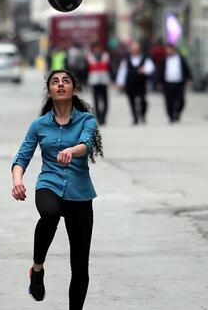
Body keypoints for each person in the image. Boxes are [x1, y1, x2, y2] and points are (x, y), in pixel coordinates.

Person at [11, 69, 103, 309]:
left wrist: (71, 151)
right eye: (55, 82)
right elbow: (22, 157)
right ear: (49, 91)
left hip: (80, 192)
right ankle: (38, 268)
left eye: (65, 81)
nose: (60, 85)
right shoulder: (39, 125)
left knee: (80, 265)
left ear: (73, 89)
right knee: (49, 214)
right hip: (49, 184)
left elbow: (85, 144)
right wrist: (17, 181)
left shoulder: (87, 120)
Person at [115, 42, 155, 125]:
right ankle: (135, 118)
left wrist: (144, 70)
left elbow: (151, 67)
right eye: (133, 50)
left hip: (141, 83)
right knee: (131, 101)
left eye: (136, 50)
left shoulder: (145, 58)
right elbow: (122, 71)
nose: (135, 52)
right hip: (130, 83)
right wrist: (120, 82)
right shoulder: (126, 59)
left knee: (143, 100)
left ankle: (142, 114)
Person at [157, 43, 192, 123]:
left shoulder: (180, 58)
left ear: (174, 50)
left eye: (170, 50)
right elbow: (160, 71)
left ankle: (177, 112)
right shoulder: (164, 60)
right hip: (168, 83)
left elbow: (186, 68)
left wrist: (189, 78)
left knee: (181, 100)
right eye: (167, 50)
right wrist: (159, 82)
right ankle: (171, 116)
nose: (168, 52)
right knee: (169, 101)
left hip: (179, 83)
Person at [86, 42, 110, 125]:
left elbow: (110, 68)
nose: (97, 49)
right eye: (96, 48)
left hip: (104, 81)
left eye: (99, 48)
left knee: (105, 100)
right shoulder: (90, 57)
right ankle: (99, 117)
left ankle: (103, 116)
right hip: (94, 81)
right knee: (96, 100)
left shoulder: (105, 56)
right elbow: (86, 70)